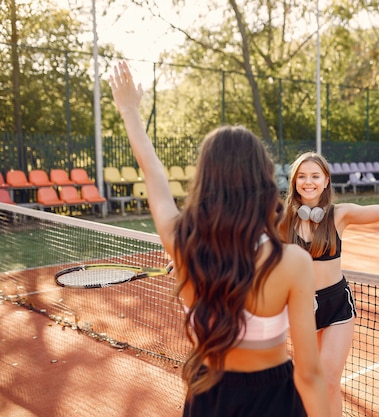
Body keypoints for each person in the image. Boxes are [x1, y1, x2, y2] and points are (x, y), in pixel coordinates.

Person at [109, 61, 329, 417]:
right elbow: (310, 374)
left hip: (207, 398)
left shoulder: (181, 243)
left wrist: (128, 108)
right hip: (275, 400)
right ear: (262, 179)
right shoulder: (292, 263)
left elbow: (153, 172)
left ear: (205, 180)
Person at [279, 151, 379, 416]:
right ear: (294, 181)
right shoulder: (283, 220)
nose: (308, 182)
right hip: (301, 310)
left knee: (330, 383)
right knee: (310, 383)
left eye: (315, 176)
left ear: (326, 180)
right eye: (302, 176)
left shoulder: (340, 215)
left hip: (337, 307)